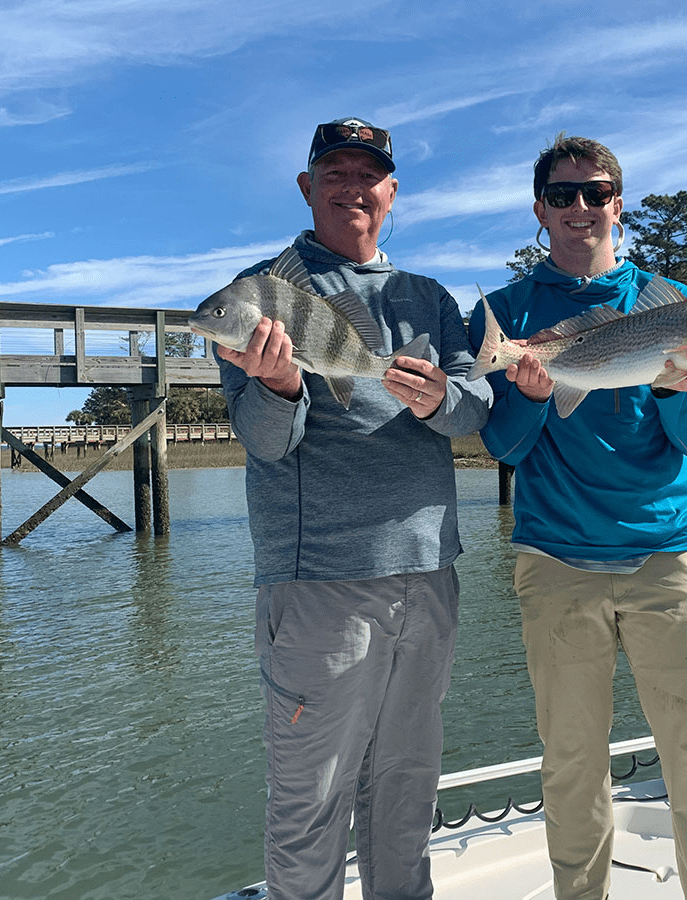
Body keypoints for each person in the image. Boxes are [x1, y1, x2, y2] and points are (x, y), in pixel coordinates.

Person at [215, 117, 492, 900]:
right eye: (333, 173)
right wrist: (278, 385)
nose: (351, 187)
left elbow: (475, 409)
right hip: (319, 583)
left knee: (408, 787)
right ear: (307, 189)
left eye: (367, 174)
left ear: (392, 193)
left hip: (430, 571)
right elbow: (266, 443)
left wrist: (445, 398)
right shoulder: (254, 300)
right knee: (312, 796)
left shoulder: (431, 299)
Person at [468, 134, 687, 900]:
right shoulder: (511, 312)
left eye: (596, 192)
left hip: (667, 557)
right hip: (555, 564)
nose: (580, 207)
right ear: (539, 211)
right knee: (572, 761)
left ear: (618, 204)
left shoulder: (673, 303)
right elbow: (505, 448)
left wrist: (680, 389)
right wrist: (527, 393)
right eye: (563, 195)